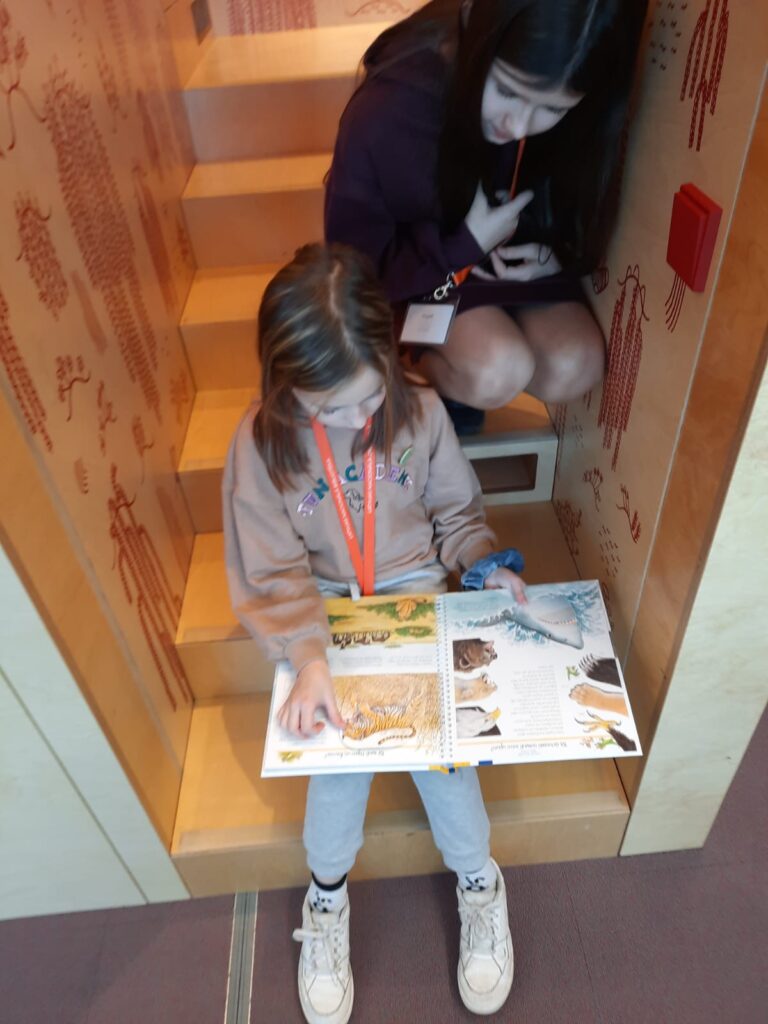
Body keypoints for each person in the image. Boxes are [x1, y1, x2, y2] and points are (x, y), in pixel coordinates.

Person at [223, 243, 529, 1023]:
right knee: (337, 764)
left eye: (368, 397)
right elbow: (272, 568)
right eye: (329, 410)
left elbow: (456, 512)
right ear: (284, 382)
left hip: (411, 589)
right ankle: (325, 898)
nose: (357, 421)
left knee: (446, 754)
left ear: (388, 360)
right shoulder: (260, 444)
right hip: (323, 607)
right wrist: (307, 657)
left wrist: (483, 564)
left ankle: (479, 880)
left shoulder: (418, 410)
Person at [324, 0, 646, 433]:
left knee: (577, 364)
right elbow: (356, 269)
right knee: (498, 368)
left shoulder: (584, 101)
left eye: (552, 109)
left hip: (505, 255)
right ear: (478, 31)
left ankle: (469, 355)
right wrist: (464, 245)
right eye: (509, 91)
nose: (519, 126)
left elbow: (567, 201)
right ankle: (414, 373)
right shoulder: (391, 108)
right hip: (421, 269)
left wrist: (555, 256)